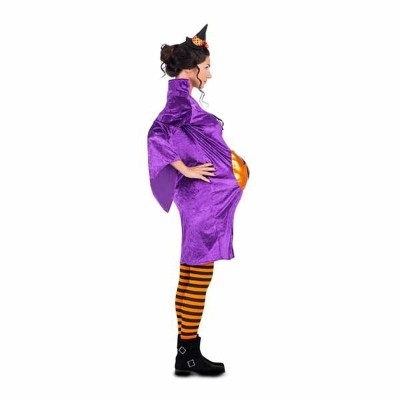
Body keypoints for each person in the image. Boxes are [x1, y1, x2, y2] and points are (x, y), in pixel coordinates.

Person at [147, 24, 249, 376]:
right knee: (199, 276)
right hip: (204, 203)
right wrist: (185, 169)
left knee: (191, 273)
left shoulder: (183, 97)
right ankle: (189, 353)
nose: (209, 73)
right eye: (206, 67)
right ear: (191, 70)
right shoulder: (179, 98)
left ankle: (185, 354)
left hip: (204, 202)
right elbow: (157, 134)